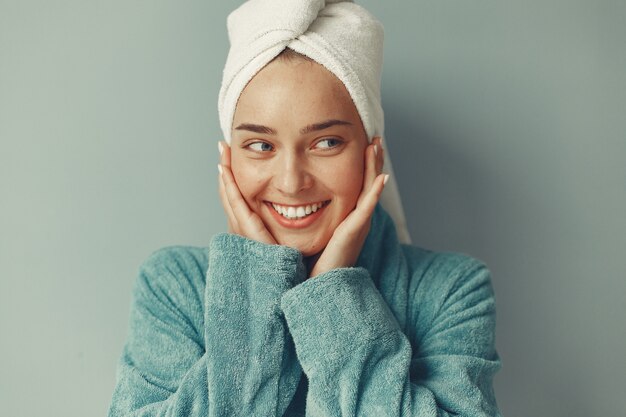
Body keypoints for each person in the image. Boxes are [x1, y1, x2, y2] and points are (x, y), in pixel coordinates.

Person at [107, 1, 502, 416]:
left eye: (326, 142)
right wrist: (252, 280)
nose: (292, 182)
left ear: (373, 155)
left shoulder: (451, 291)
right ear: (229, 160)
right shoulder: (175, 287)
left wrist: (333, 293)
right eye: (261, 146)